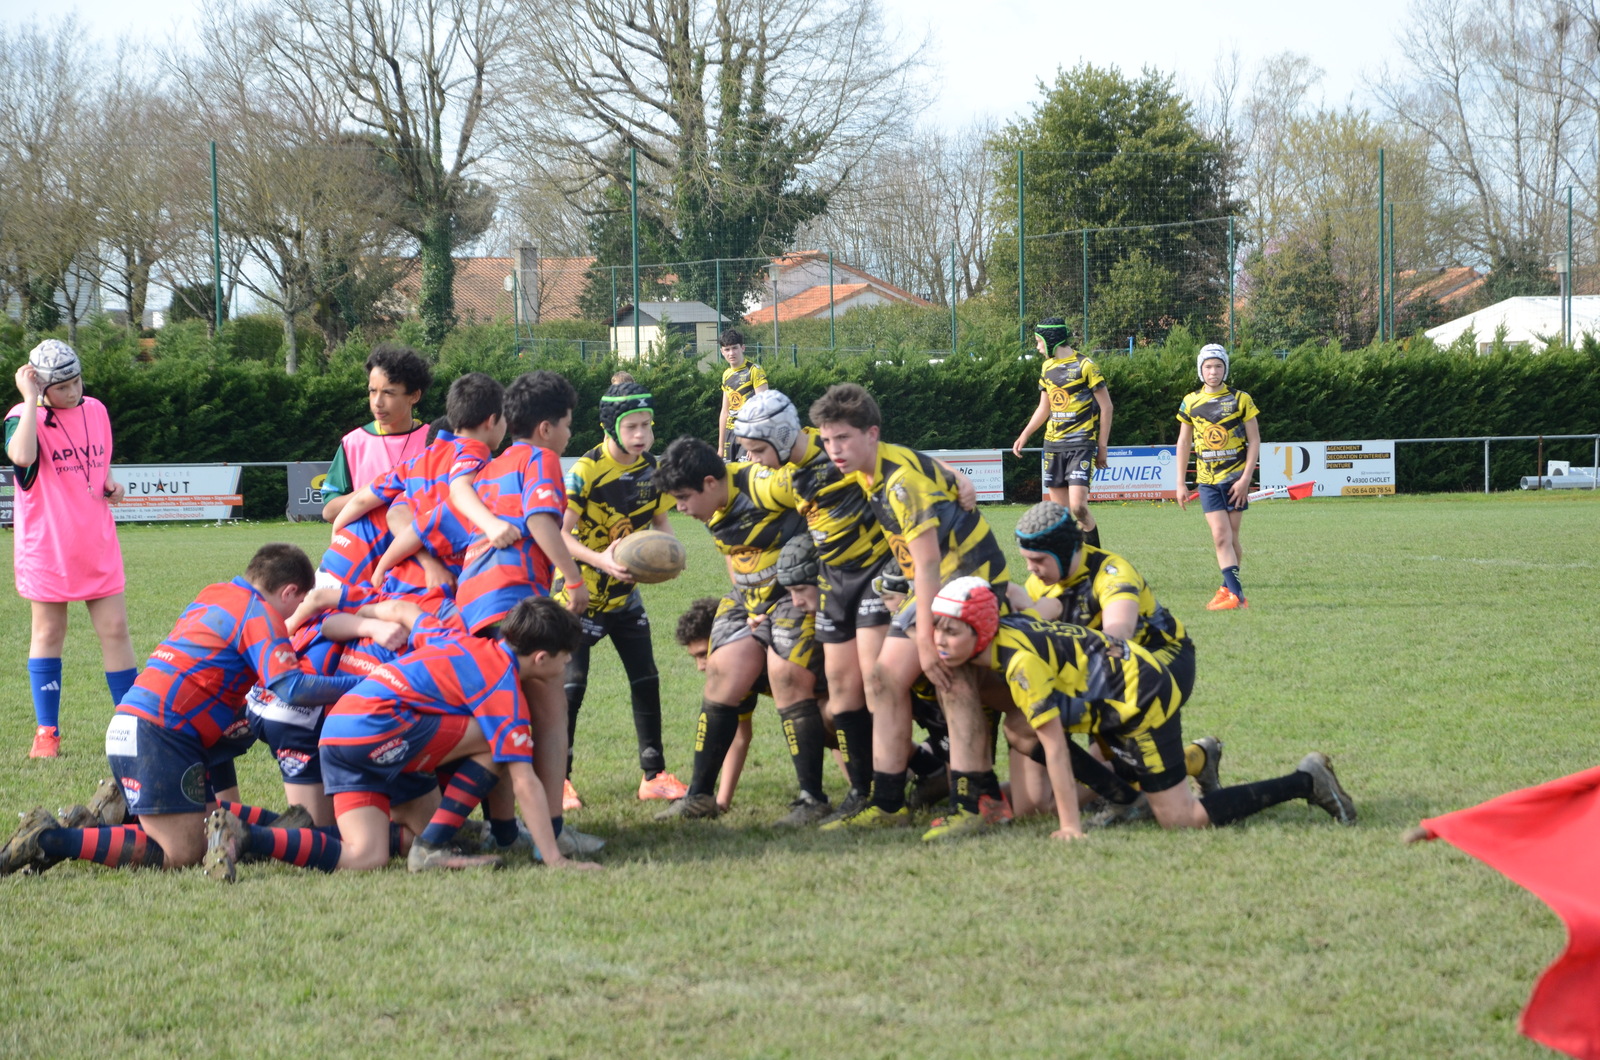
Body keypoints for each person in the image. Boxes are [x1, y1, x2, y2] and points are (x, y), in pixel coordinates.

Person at [0, 544, 362, 876]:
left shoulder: (215, 593)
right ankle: (50, 839)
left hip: (137, 723)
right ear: (289, 592)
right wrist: (364, 684)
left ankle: (108, 817)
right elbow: (292, 687)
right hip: (161, 736)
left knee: (208, 823)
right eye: (300, 602)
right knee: (181, 852)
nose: (297, 613)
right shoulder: (260, 614)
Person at [926, 576, 1356, 840]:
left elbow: (1054, 746)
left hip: (1140, 697)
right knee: (1020, 729)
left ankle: (1306, 780)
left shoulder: (1021, 665)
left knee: (1181, 819)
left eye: (952, 632)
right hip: (1107, 691)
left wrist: (1070, 826)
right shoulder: (1001, 634)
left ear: (982, 629)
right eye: (937, 630)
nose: (940, 641)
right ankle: (1125, 797)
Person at [205, 596, 604, 878]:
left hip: (338, 734)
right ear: (541, 658)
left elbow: (409, 614)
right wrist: (554, 858)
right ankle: (431, 848)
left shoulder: (454, 638)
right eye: (565, 656)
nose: (569, 661)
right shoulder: (504, 686)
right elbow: (524, 782)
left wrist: (361, 611)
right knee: (497, 739)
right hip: (372, 731)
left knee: (365, 856)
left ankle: (247, 835)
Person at [808, 383, 1012, 838]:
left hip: (967, 581)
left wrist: (925, 641)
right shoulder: (875, 463)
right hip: (940, 582)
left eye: (843, 438)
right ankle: (888, 803)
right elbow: (931, 463)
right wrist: (959, 478)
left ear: (871, 434)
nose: (834, 449)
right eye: (827, 440)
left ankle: (974, 804)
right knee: (883, 679)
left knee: (949, 675)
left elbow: (927, 563)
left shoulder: (900, 485)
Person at [1007, 500, 1222, 824]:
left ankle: (1129, 793)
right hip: (1107, 673)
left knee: (1119, 747)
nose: (1030, 569)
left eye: (1037, 560)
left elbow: (1116, 637)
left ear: (1064, 551)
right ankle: (1196, 758)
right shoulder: (1040, 583)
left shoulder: (1111, 572)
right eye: (1026, 559)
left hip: (1163, 660)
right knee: (1117, 756)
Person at [653, 436, 831, 826]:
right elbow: (735, 555)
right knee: (721, 672)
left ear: (710, 483)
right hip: (749, 596)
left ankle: (812, 799)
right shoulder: (710, 508)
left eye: (683, 497)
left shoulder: (764, 484)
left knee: (787, 677)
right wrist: (752, 604)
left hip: (796, 592)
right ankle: (699, 797)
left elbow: (828, 481)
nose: (680, 508)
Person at [731, 389, 891, 822]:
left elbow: (905, 464)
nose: (753, 460)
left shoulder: (840, 451)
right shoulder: (787, 475)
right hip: (834, 585)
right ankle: (861, 792)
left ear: (781, 437)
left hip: (875, 578)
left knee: (879, 686)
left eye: (757, 450)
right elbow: (737, 480)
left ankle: (900, 786)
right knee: (841, 689)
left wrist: (956, 480)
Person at [6, 340, 138, 758]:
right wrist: (31, 400)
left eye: (77, 381)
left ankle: (132, 724)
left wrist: (112, 486)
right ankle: (47, 732)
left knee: (115, 629)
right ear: (41, 387)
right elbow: (22, 456)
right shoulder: (21, 416)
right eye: (61, 387)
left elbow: (98, 466)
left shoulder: (96, 410)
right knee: (48, 633)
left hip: (96, 541)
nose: (73, 391)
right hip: (48, 547)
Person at [558, 382, 686, 805]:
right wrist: (600, 560)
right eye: (631, 426)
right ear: (610, 427)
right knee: (571, 686)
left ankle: (654, 776)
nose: (641, 434)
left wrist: (670, 555)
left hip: (625, 598)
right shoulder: (586, 470)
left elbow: (661, 524)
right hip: (578, 597)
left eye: (647, 425)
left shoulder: (653, 468)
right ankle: (559, 779)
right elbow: (560, 534)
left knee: (646, 678)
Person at [1010, 317, 1112, 549]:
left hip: (1081, 444)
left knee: (1079, 507)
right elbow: (1044, 408)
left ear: (1051, 340)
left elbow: (1107, 407)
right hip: (1053, 446)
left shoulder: (1086, 366)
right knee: (1061, 515)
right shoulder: (1047, 367)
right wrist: (1025, 434)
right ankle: (1071, 563)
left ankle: (1094, 559)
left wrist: (1102, 447)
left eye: (1039, 341)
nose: (1037, 347)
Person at [1175, 344, 1260, 610]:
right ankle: (1238, 597)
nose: (1213, 371)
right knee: (1221, 536)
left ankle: (1226, 589)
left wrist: (1245, 480)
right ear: (1201, 370)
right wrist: (1180, 482)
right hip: (1208, 481)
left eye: (1218, 366)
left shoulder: (1240, 399)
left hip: (1236, 481)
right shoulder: (1190, 401)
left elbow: (1255, 441)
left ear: (1226, 369)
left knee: (1232, 538)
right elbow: (1183, 442)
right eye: (1208, 366)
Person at [319, 343, 433, 524]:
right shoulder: (353, 443)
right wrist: (374, 489)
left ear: (414, 396)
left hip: (422, 541)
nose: (377, 402)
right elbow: (330, 511)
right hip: (367, 543)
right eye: (373, 391)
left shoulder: (434, 442)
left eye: (388, 393)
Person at [674, 598, 757, 813]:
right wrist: (722, 802)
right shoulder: (737, 675)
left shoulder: (773, 652)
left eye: (703, 654)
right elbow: (739, 737)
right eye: (695, 657)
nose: (700, 667)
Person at [715, 328, 767, 460]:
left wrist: (755, 441)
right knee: (729, 473)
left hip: (749, 432)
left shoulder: (754, 370)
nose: (731, 353)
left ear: (742, 348)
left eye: (735, 348)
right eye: (727, 349)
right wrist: (720, 447)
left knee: (746, 472)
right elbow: (724, 411)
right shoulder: (726, 375)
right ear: (722, 352)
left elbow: (763, 408)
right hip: (730, 434)